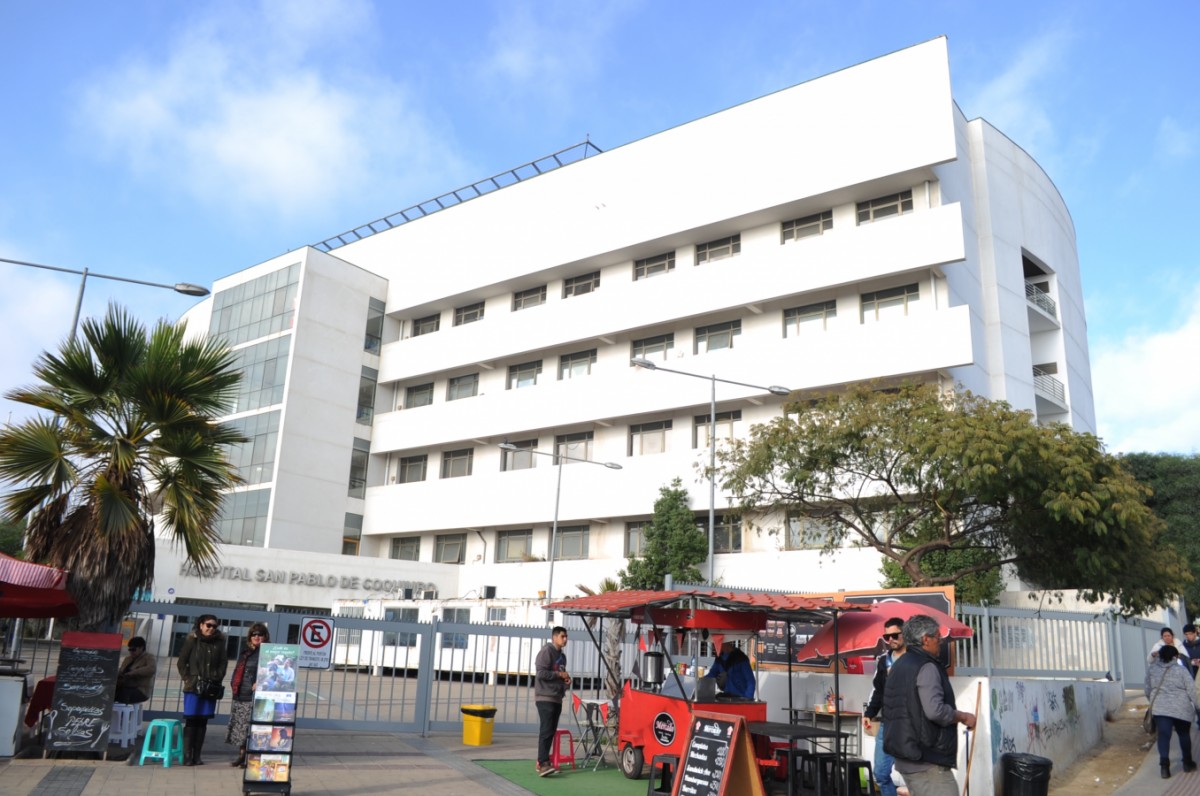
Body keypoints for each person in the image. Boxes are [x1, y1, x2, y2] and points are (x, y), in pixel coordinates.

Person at [883, 614, 976, 796]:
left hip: (907, 753)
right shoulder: (926, 667)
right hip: (926, 759)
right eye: (937, 638)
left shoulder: (899, 665)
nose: (939, 642)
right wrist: (963, 716)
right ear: (926, 639)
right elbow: (935, 711)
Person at [177, 614, 229, 766]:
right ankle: (187, 756)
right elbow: (181, 662)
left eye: (214, 626)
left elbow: (223, 663)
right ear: (201, 625)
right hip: (193, 686)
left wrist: (217, 676)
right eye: (208, 625)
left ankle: (197, 755)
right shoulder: (192, 640)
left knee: (203, 721)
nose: (211, 628)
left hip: (210, 687)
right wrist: (188, 679)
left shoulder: (219, 642)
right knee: (192, 720)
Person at [864, 618, 906, 796]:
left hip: (909, 725)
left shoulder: (915, 659)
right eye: (887, 637)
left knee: (913, 776)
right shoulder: (884, 661)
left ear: (905, 634)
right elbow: (877, 690)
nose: (891, 640)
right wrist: (869, 713)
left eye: (895, 635)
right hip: (887, 724)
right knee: (880, 774)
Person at [1146, 644, 1196, 778]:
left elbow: (1147, 689)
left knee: (1163, 735)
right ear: (1176, 656)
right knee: (1184, 734)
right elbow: (1192, 690)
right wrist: (1197, 707)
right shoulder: (1182, 670)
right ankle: (1187, 763)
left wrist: (1153, 702)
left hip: (1161, 708)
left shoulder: (1152, 670)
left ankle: (1164, 767)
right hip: (1182, 707)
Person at [226, 622, 269, 768]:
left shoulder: (267, 652)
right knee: (241, 728)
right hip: (241, 693)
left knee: (253, 728)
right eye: (254, 634)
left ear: (265, 637)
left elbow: (270, 672)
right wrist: (234, 684)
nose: (256, 637)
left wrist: (260, 682)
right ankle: (242, 755)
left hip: (255, 695)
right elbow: (238, 669)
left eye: (260, 634)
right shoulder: (245, 651)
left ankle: (250, 758)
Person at [534, 626, 570, 777]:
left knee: (551, 731)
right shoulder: (547, 651)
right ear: (554, 637)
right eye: (562, 636)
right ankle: (542, 763)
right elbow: (540, 673)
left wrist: (566, 682)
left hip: (556, 698)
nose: (565, 639)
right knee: (546, 730)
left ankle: (545, 762)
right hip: (545, 697)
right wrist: (559, 674)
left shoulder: (562, 656)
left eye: (566, 636)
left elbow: (559, 676)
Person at [114, 636, 156, 704]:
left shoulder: (149, 657)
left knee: (123, 693)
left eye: (133, 649)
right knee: (110, 691)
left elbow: (152, 669)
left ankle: (124, 713)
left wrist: (134, 672)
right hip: (125, 685)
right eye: (129, 650)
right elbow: (121, 671)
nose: (131, 652)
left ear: (141, 648)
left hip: (141, 689)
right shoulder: (128, 659)